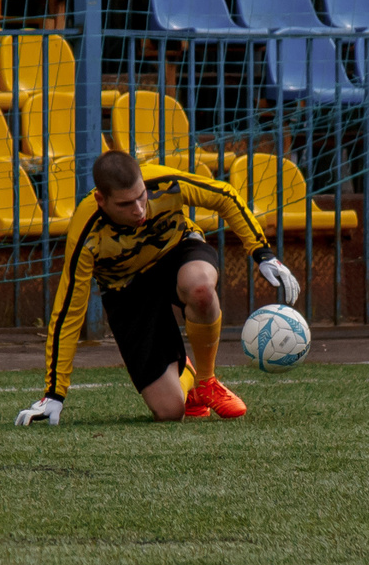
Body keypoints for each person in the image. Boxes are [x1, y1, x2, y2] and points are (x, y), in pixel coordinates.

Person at [16, 148, 300, 426]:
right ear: (101, 200)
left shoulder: (164, 182)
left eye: (141, 196)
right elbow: (68, 312)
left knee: (200, 288)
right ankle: (187, 378)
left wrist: (262, 252)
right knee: (170, 412)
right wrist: (55, 393)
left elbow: (224, 195)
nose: (139, 209)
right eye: (125, 204)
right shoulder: (86, 232)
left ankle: (206, 381)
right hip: (126, 289)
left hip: (176, 251)